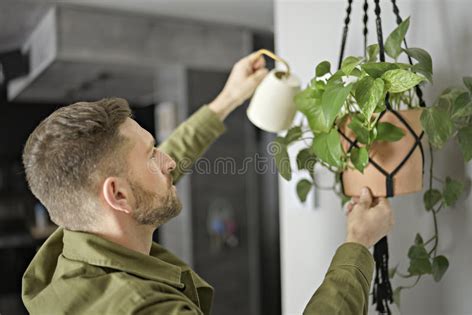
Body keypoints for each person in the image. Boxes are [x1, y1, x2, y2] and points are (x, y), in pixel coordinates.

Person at [21, 51, 394, 315]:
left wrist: (229, 98)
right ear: (117, 194)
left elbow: (153, 174)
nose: (169, 161)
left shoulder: (69, 247)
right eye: (152, 153)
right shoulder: (144, 308)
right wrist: (357, 245)